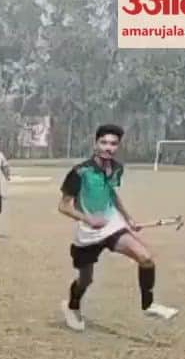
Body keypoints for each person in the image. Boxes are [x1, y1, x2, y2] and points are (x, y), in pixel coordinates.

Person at [59, 124, 178, 331]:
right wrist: (88, 219)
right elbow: (63, 206)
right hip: (87, 234)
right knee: (85, 280)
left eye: (113, 144)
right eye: (104, 142)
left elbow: (111, 193)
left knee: (146, 258)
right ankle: (72, 306)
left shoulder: (116, 168)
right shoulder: (80, 172)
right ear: (96, 143)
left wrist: (127, 218)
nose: (108, 147)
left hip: (111, 227)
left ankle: (148, 305)